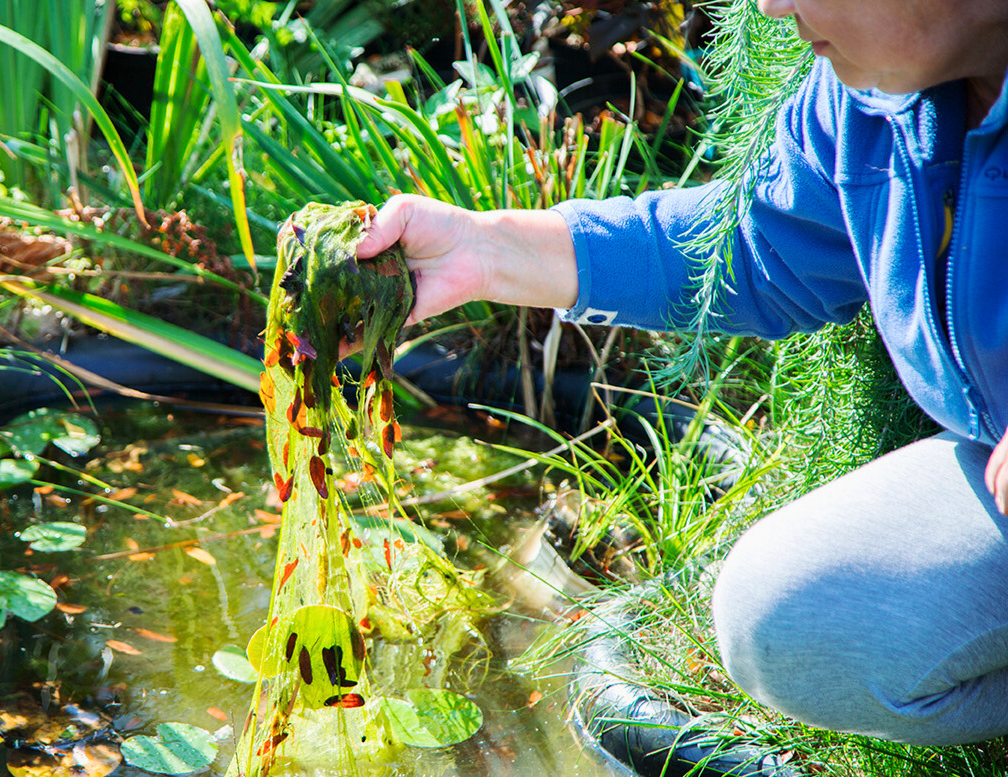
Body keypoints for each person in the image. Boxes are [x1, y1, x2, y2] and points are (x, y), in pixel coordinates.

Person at [353, 0, 1008, 748]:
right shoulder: (876, 101)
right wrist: (484, 249)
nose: (772, 6)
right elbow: (749, 253)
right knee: (788, 618)